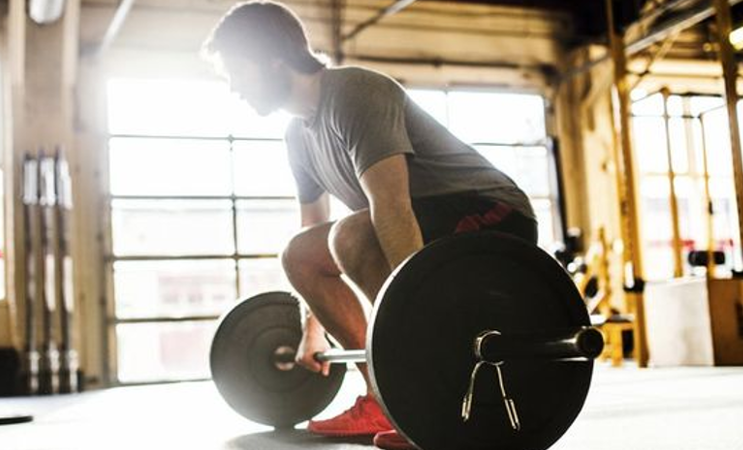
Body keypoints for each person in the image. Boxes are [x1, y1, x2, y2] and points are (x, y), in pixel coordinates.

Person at [203, 2, 538, 449]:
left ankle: (426, 394)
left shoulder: (354, 93)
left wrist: (416, 316)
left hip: (492, 214)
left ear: (271, 58)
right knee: (298, 252)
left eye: (237, 71)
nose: (233, 87)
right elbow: (311, 238)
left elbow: (392, 208)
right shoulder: (298, 135)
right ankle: (386, 396)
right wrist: (312, 329)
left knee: (352, 234)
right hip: (416, 224)